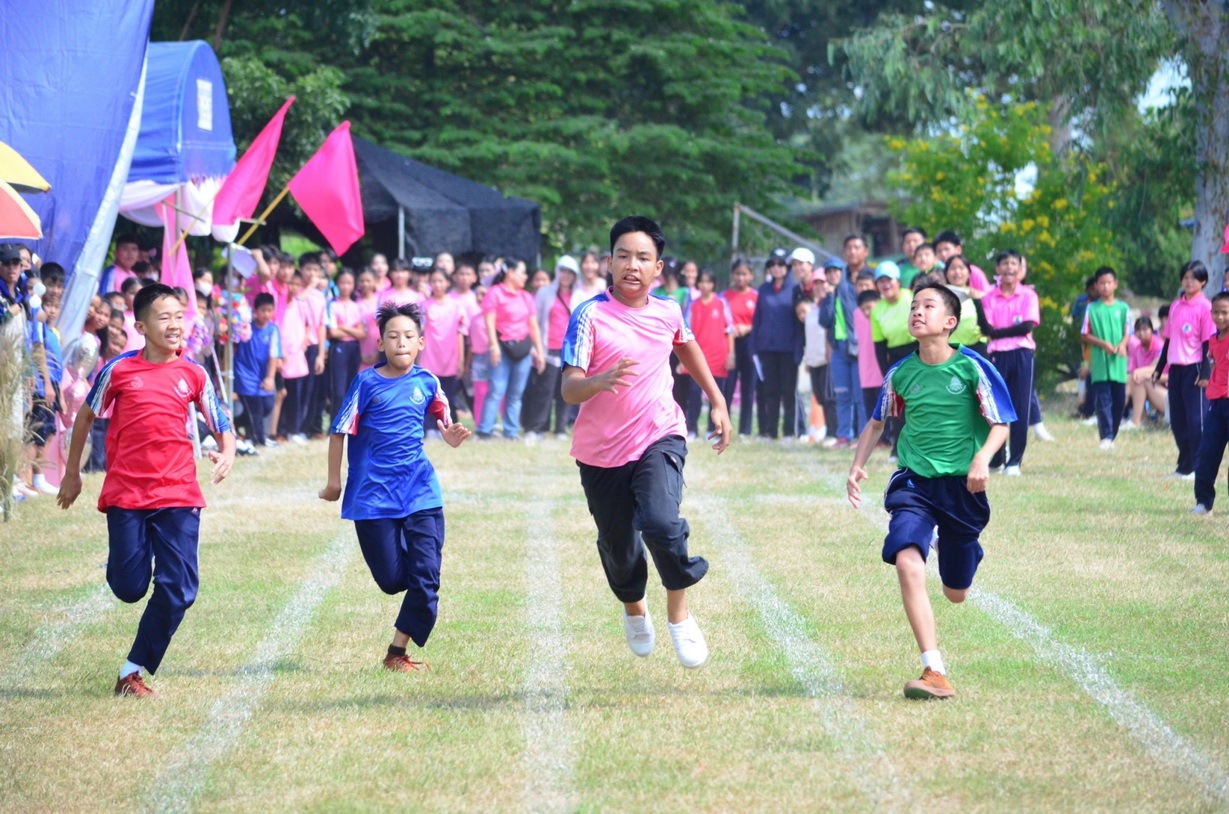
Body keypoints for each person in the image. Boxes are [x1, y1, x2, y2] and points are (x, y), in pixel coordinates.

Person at [561, 215, 731, 669]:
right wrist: (597, 381)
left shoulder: (669, 310)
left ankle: (680, 614)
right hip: (601, 453)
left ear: (657, 268)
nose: (631, 265)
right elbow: (569, 388)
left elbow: (685, 345)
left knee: (660, 522)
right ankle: (635, 608)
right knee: (619, 548)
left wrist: (717, 400)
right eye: (623, 256)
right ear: (608, 263)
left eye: (642, 258)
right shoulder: (590, 315)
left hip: (659, 434)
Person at [57, 283, 236, 697]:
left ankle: (131, 671)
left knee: (180, 589)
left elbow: (219, 421)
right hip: (127, 494)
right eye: (164, 317)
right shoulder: (119, 369)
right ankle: (124, 562)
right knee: (129, 588)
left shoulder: (194, 373)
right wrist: (72, 474)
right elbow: (85, 417)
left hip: (178, 494)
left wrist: (227, 452)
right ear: (140, 326)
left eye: (179, 316)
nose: (175, 325)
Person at [847, 282, 1014, 699]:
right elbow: (877, 422)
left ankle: (955, 544)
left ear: (950, 321)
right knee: (907, 561)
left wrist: (982, 459)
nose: (917, 312)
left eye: (928, 306)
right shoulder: (901, 373)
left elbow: (1000, 423)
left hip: (962, 488)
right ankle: (933, 669)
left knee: (956, 593)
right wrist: (856, 466)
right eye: (914, 306)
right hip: (915, 482)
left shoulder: (972, 368)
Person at [320, 302, 472, 672]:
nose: (401, 342)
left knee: (427, 577)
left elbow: (443, 418)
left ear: (421, 342)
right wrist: (334, 481)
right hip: (372, 497)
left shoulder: (427, 381)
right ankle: (413, 560)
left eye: (408, 336)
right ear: (380, 344)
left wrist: (450, 436)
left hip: (420, 491)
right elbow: (339, 431)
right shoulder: (366, 383)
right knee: (392, 582)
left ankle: (396, 652)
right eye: (393, 336)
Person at [977, 250, 1039, 476]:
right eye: (1004, 263)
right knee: (995, 407)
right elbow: (988, 329)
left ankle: (1015, 462)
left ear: (1020, 269)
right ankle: (997, 460)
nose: (1009, 268)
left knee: (1021, 406)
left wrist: (998, 332)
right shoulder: (989, 296)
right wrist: (1001, 331)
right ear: (997, 269)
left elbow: (1027, 326)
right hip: (997, 356)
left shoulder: (1028, 295)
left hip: (1022, 353)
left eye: (1014, 263)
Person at [1153, 261, 1215, 479]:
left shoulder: (1205, 307)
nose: (1189, 282)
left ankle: (1198, 467)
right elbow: (1168, 340)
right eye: (1185, 278)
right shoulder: (1175, 306)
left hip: (1195, 368)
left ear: (1203, 281)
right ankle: (1185, 466)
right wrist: (1159, 368)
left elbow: (1208, 343)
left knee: (1196, 421)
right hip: (1176, 368)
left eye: (1193, 278)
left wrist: (1205, 372)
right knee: (1178, 421)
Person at [477, 259, 545, 440]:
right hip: (502, 346)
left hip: (523, 348)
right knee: (496, 390)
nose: (525, 276)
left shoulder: (526, 297)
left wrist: (539, 352)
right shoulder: (495, 293)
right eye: (522, 272)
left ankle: (511, 431)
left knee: (516, 393)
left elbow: (533, 326)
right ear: (510, 273)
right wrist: (493, 346)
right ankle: (485, 430)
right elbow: (489, 322)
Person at [819, 239, 869, 448]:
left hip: (856, 349)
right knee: (842, 395)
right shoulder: (828, 295)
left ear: (842, 272)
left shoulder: (851, 291)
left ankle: (863, 436)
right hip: (838, 349)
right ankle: (843, 435)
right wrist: (828, 298)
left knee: (859, 396)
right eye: (829, 272)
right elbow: (824, 321)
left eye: (836, 271)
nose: (833, 275)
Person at [523, 256, 577, 440]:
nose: (566, 276)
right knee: (544, 390)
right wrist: (536, 348)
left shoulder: (579, 294)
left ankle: (560, 429)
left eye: (570, 273)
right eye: (563, 271)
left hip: (570, 350)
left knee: (566, 391)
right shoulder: (545, 293)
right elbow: (535, 321)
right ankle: (535, 428)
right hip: (548, 348)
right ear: (557, 272)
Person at [751, 249, 801, 440]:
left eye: (780, 264)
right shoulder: (764, 289)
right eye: (772, 264)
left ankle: (789, 432)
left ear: (787, 267)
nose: (776, 268)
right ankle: (770, 431)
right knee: (769, 391)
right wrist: (754, 346)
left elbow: (799, 323)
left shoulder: (795, 289)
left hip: (788, 349)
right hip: (767, 348)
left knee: (788, 392)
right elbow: (757, 319)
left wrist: (798, 349)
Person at [680, 268, 734, 438]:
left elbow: (729, 330)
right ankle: (692, 429)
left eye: (708, 282)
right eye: (702, 282)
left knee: (716, 395)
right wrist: (683, 359)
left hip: (718, 357)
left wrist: (731, 354)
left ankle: (714, 429)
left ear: (713, 284)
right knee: (694, 394)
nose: (705, 285)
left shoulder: (722, 303)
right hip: (698, 359)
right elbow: (684, 333)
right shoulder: (693, 305)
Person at [1080, 267, 1130, 449]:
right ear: (1096, 285)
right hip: (1100, 364)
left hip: (1119, 363)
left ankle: (1112, 435)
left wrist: (1122, 345)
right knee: (1103, 401)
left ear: (1115, 284)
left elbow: (1128, 331)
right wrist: (1103, 344)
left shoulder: (1123, 308)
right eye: (1102, 283)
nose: (1105, 286)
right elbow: (1084, 334)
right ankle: (1106, 437)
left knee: (1119, 401)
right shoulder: (1092, 308)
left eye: (1109, 283)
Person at [1191, 292, 1229, 514]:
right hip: (1216, 404)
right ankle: (1203, 502)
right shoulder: (1213, 340)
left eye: (1225, 312)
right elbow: (1214, 365)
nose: (1220, 317)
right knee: (1207, 454)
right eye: (1216, 312)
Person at [417, 268, 468, 427]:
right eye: (434, 281)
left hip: (450, 356)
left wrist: (461, 359)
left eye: (440, 281)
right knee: (429, 394)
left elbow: (460, 333)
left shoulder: (456, 305)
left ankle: (449, 427)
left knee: (448, 395)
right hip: (429, 356)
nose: (437, 285)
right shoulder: (424, 306)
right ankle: (430, 427)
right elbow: (419, 331)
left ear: (447, 283)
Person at [235, 293, 282, 448]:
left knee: (267, 406)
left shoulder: (273, 330)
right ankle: (259, 439)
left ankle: (237, 424)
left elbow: (274, 354)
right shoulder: (245, 328)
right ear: (255, 310)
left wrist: (270, 377)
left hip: (262, 375)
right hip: (245, 374)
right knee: (256, 408)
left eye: (269, 310)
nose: (266, 314)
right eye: (263, 310)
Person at [720, 257, 758, 438]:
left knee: (748, 389)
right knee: (727, 388)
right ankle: (723, 427)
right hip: (729, 345)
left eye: (744, 274)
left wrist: (747, 327)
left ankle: (745, 430)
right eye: (737, 274)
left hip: (750, 344)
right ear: (732, 275)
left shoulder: (756, 297)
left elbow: (761, 321)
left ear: (751, 276)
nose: (741, 278)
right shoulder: (724, 297)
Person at [1124, 316, 1166, 429]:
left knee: (1139, 379)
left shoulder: (1160, 346)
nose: (1141, 333)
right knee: (1134, 380)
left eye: (1145, 329)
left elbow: (1158, 370)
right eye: (1138, 330)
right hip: (1151, 388)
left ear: (1152, 330)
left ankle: (1137, 421)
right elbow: (1132, 371)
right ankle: (1140, 418)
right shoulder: (1137, 349)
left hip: (1166, 391)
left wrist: (1142, 374)